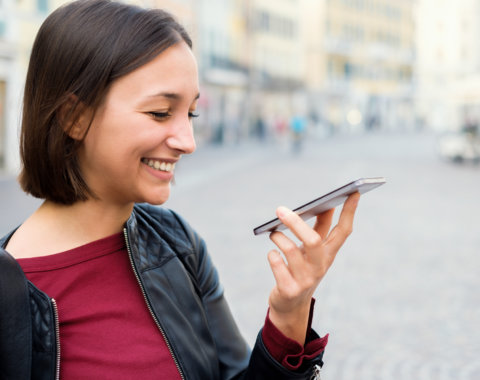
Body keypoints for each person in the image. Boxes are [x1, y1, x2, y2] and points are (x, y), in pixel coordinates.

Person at [0, 1, 360, 379]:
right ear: (74, 117)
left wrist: (289, 314)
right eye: (160, 113)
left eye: (190, 113)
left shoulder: (177, 243)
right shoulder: (11, 291)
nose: (188, 142)